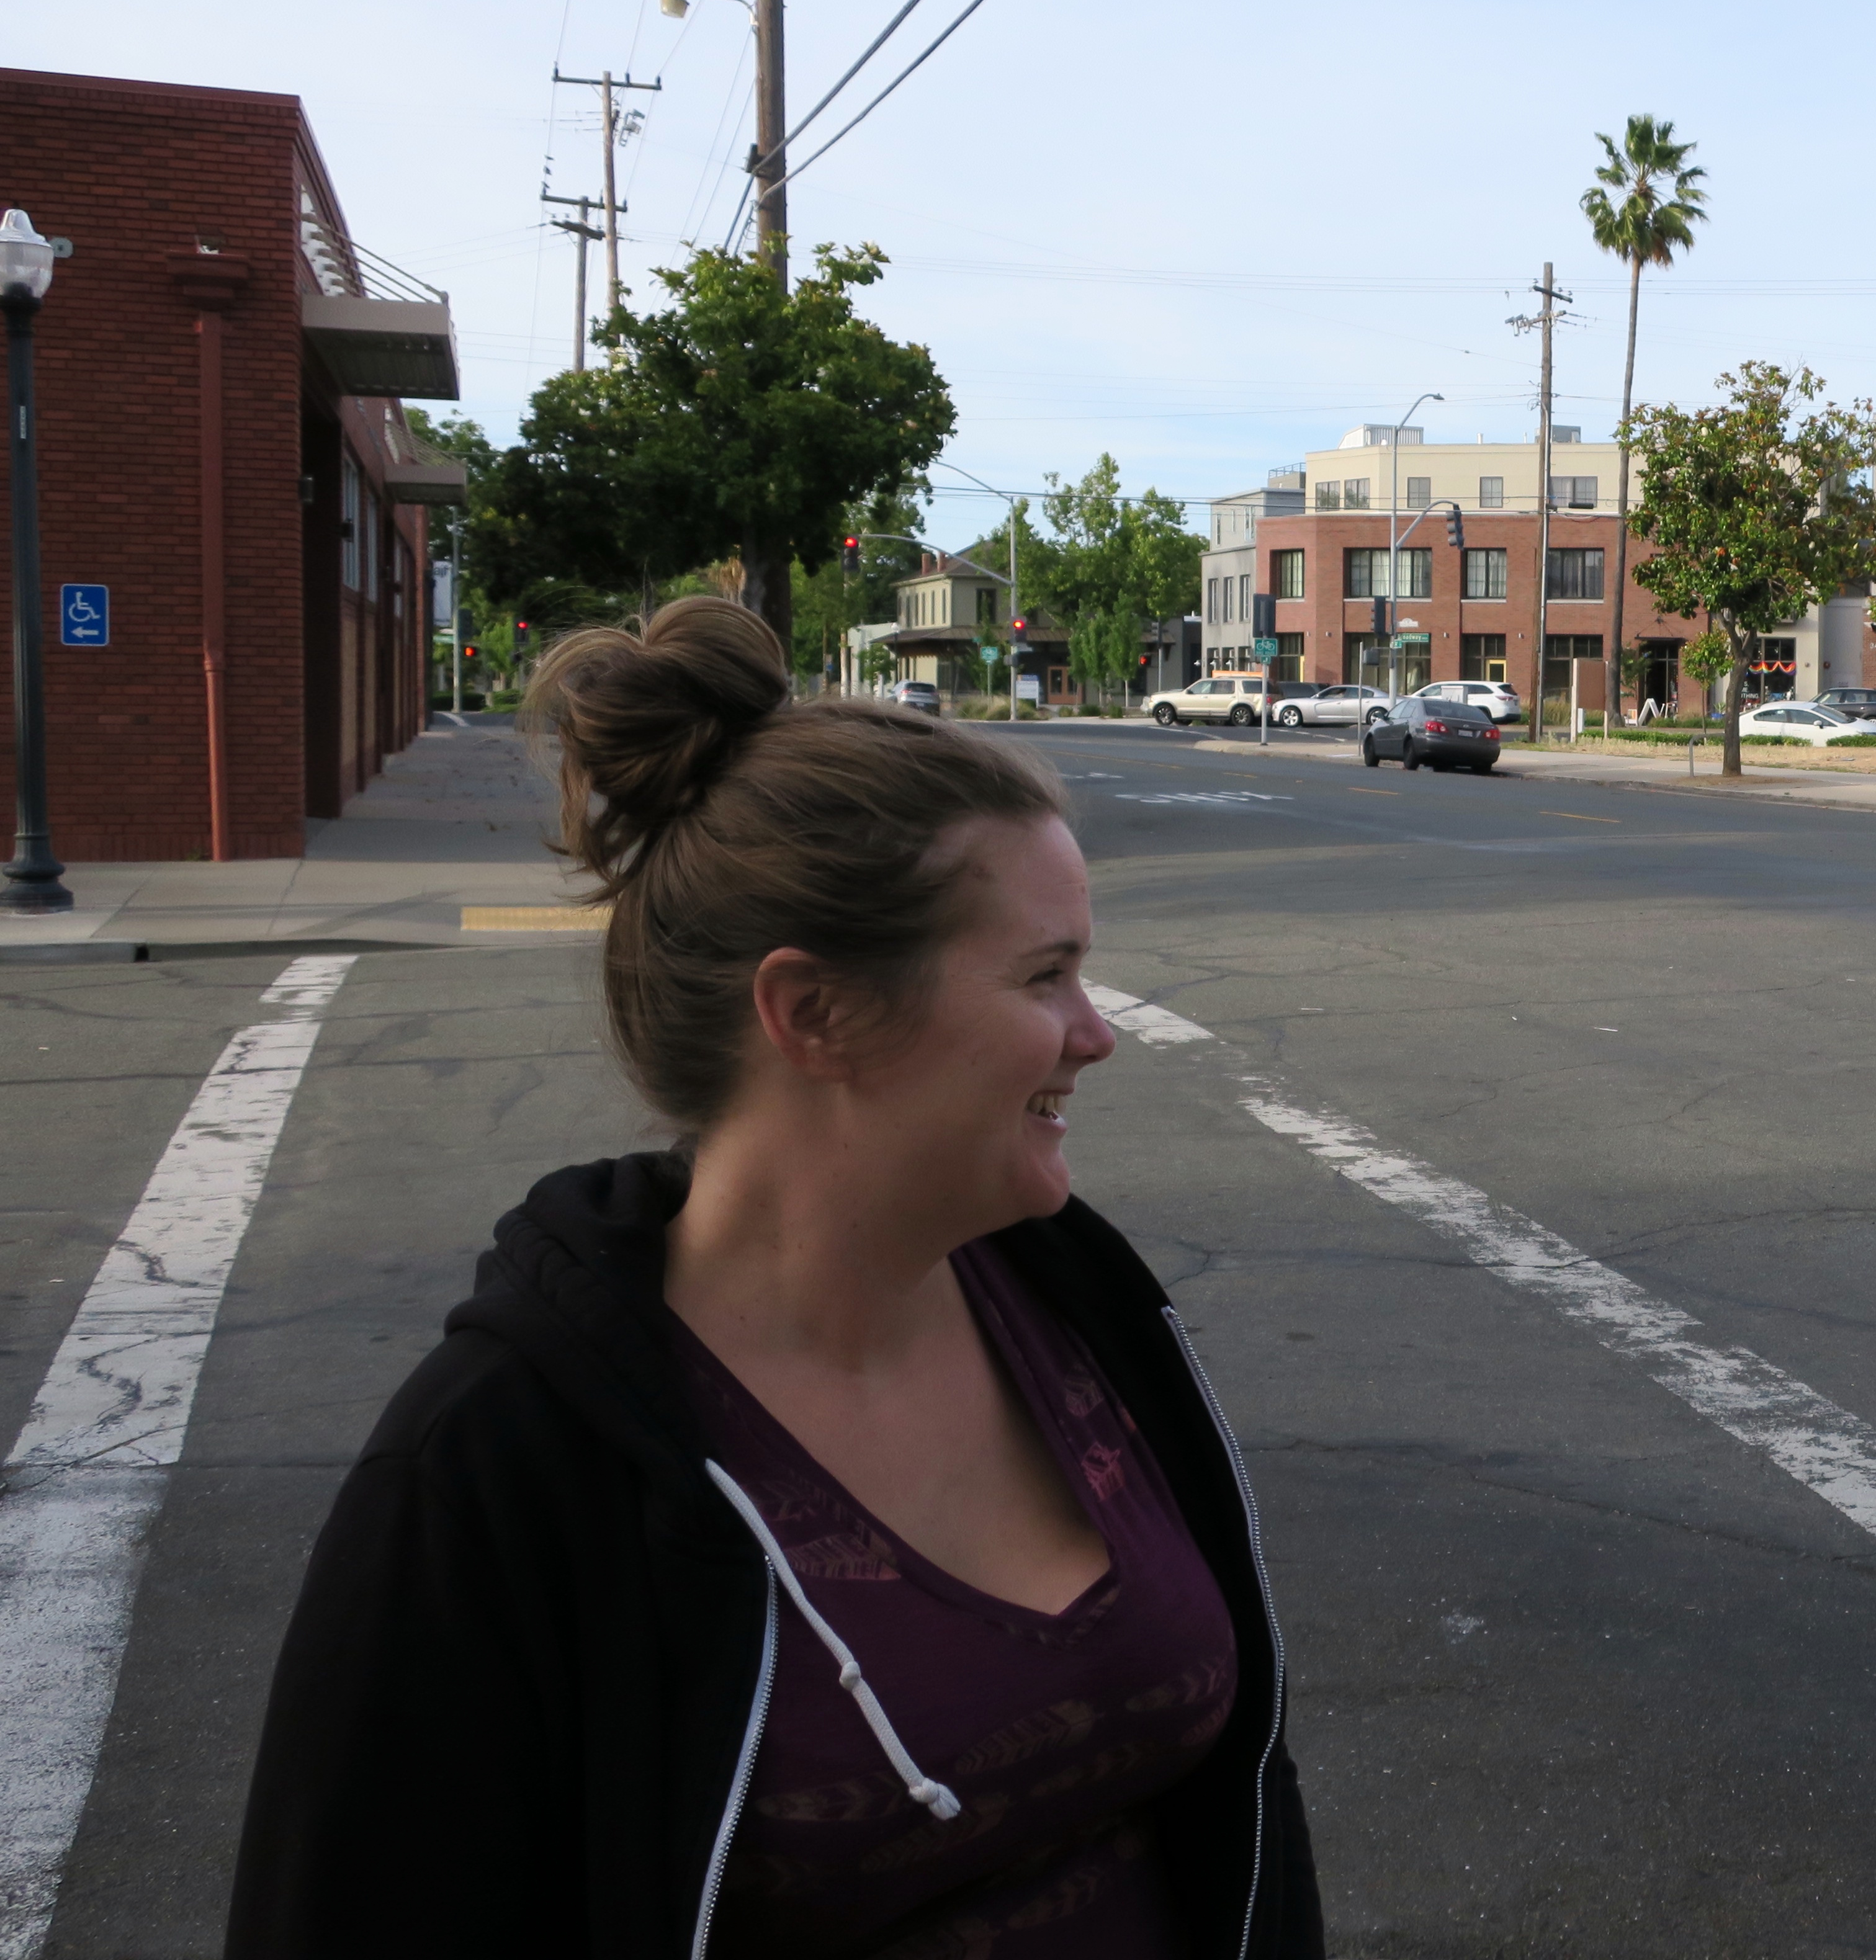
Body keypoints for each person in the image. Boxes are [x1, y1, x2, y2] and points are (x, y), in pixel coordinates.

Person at [229, 599, 1321, 1958]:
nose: (1096, 1034)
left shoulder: (1085, 1311)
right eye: (1046, 975)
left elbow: (1239, 1803)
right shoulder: (499, 1468)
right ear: (813, 1013)